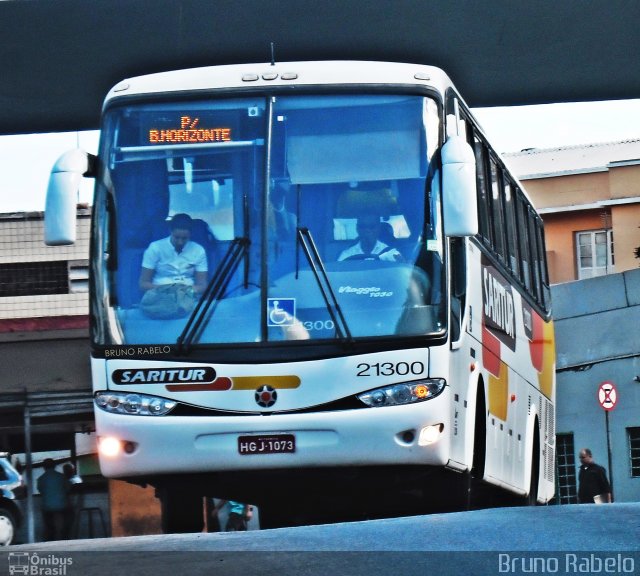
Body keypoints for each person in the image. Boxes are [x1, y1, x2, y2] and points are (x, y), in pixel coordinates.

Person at [138, 213, 208, 318]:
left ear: (190, 235)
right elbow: (143, 284)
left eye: (184, 238)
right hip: (159, 297)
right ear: (170, 231)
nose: (180, 242)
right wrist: (169, 291)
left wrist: (186, 292)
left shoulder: (198, 250)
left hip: (189, 297)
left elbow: (202, 285)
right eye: (177, 237)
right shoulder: (155, 248)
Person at [338, 214, 403, 262]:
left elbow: (401, 273)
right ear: (357, 229)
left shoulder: (390, 253)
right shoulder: (347, 254)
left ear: (378, 228)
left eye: (372, 226)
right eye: (363, 226)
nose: (367, 230)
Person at [37, 459, 71, 540]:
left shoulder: (41, 479)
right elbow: (68, 489)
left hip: (47, 507)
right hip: (62, 507)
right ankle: (65, 536)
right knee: (69, 513)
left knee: (48, 522)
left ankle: (50, 537)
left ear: (43, 467)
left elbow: (41, 491)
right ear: (55, 466)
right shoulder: (62, 477)